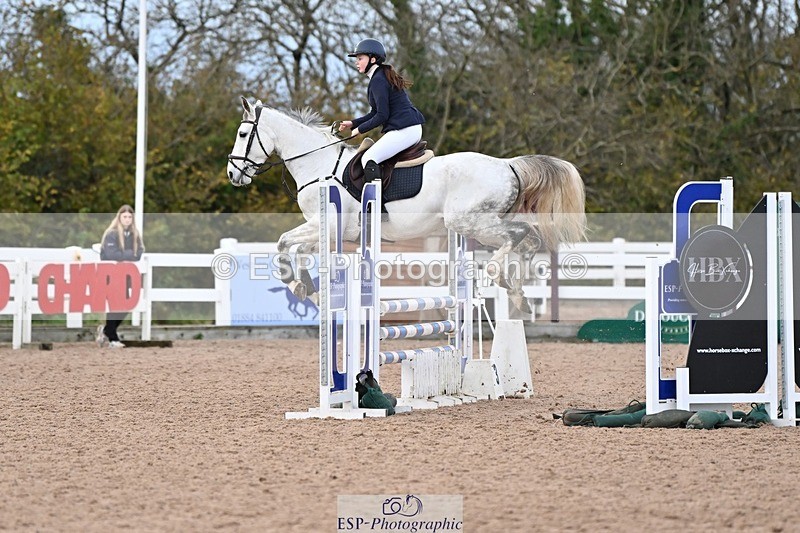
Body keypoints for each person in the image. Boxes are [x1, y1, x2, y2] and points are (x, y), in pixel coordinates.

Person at [339, 38, 425, 182]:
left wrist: (360, 130)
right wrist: (353, 123)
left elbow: (382, 116)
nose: (356, 62)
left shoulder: (378, 80)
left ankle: (376, 203)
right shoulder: (379, 76)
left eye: (360, 58)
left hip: (405, 130)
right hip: (408, 128)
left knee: (368, 158)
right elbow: (375, 112)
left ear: (372, 59)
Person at [96, 205, 144, 349]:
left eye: (130, 217)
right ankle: (112, 337)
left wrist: (127, 255)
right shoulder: (112, 234)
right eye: (125, 217)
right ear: (119, 217)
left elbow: (140, 252)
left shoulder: (134, 234)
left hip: (125, 276)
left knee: (127, 305)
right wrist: (130, 254)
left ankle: (107, 330)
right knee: (114, 305)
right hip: (111, 275)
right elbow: (112, 255)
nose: (127, 219)